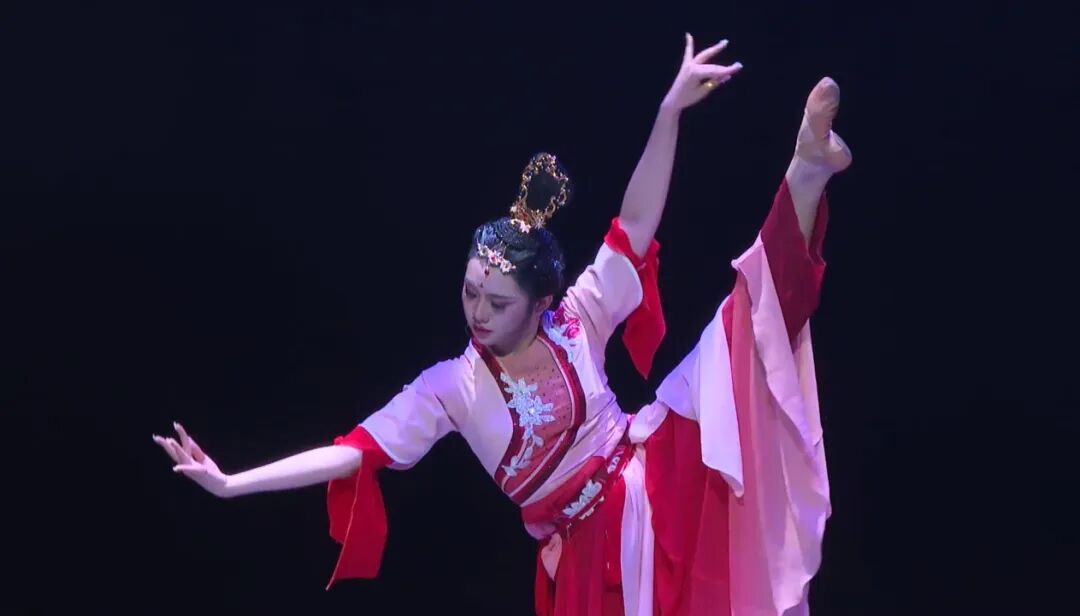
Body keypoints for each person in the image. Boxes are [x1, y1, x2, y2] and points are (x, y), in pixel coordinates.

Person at [154, 32, 851, 615]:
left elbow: (636, 221)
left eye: (497, 302)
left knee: (735, 339)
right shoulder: (451, 389)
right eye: (470, 294)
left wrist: (669, 112)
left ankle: (805, 175)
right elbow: (353, 453)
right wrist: (232, 482)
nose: (478, 313)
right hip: (585, 560)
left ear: (540, 303)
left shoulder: (578, 317)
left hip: (658, 491)